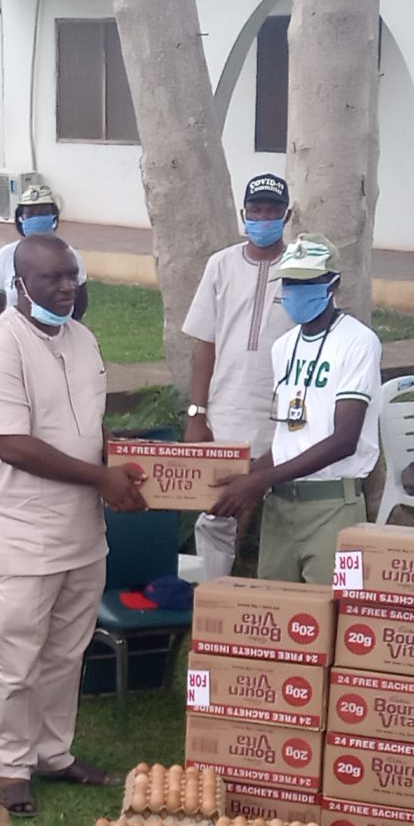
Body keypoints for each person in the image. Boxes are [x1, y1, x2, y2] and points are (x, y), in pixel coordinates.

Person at [0, 233, 146, 816]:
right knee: (18, 656)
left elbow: (89, 427)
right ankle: (12, 766)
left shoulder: (83, 337)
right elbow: (13, 446)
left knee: (67, 652)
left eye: (72, 275)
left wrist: (115, 460)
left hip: (81, 531)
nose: (67, 286)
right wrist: (102, 480)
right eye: (52, 279)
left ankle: (54, 752)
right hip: (20, 530)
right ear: (20, 284)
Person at [205, 237, 381, 584]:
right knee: (275, 615)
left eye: (307, 282)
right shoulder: (284, 346)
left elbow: (345, 439)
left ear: (333, 284)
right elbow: (293, 434)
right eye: (290, 283)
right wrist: (246, 476)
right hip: (281, 505)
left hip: (331, 504)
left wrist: (258, 481)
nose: (295, 292)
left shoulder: (358, 342)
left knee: (329, 616)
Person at [183, 173, 294, 581]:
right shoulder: (221, 264)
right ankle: (215, 594)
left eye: (273, 211)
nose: (263, 218)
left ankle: (261, 594)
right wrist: (197, 414)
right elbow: (204, 343)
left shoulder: (302, 265)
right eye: (256, 210)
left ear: (287, 215)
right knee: (221, 509)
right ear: (243, 214)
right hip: (227, 406)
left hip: (283, 412)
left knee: (278, 506)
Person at [0, 177, 86, 321]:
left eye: (43, 212)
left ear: (54, 216)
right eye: (31, 213)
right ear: (21, 218)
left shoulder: (69, 255)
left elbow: (80, 303)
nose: (37, 218)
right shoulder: (4, 256)